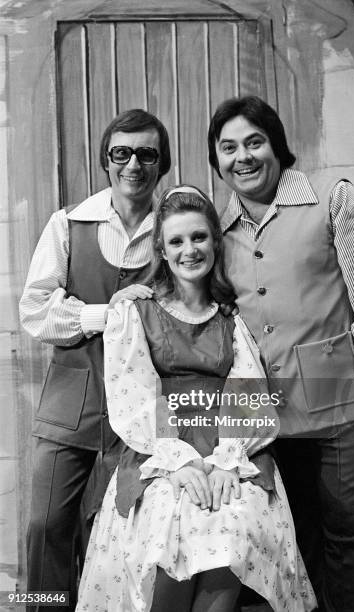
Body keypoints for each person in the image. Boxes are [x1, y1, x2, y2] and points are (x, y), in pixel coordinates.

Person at [207, 95, 354, 612]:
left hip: (342, 401)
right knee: (293, 534)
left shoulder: (331, 198)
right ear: (217, 162)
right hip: (263, 414)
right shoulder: (217, 230)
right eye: (228, 148)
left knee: (347, 528)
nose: (243, 157)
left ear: (278, 146)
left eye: (255, 142)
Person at [75, 185, 317, 612]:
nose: (190, 249)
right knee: (169, 520)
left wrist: (227, 461)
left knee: (232, 523)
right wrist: (181, 461)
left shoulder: (231, 318)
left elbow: (249, 391)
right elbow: (134, 395)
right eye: (177, 241)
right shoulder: (135, 313)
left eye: (199, 237)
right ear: (162, 251)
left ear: (215, 242)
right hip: (160, 448)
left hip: (232, 446)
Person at [19, 108, 171, 611]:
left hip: (145, 415)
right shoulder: (68, 224)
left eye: (146, 154)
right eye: (121, 153)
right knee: (45, 528)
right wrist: (108, 315)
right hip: (70, 407)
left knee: (117, 539)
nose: (134, 164)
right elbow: (36, 313)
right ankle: (43, 607)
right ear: (105, 161)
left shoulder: (176, 227)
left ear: (162, 163)